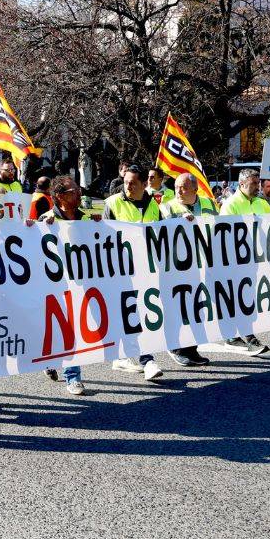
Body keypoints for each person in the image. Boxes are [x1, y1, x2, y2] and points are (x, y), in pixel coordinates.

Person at [31, 175, 100, 396]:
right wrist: (40, 228)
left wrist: (100, 226)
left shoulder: (85, 219)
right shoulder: (47, 219)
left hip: (81, 282)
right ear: (59, 196)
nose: (79, 193)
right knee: (66, 329)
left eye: (78, 189)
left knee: (75, 328)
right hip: (56, 284)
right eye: (73, 191)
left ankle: (58, 365)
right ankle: (72, 376)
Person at [102, 164, 165, 382]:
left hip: (146, 270)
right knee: (132, 314)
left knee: (140, 314)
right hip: (121, 271)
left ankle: (123, 356)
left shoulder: (154, 204)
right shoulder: (112, 203)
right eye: (125, 182)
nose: (127, 186)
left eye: (132, 183)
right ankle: (147, 360)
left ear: (143, 184)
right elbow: (102, 237)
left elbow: (163, 232)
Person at [159, 172, 218, 367]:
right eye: (176, 187)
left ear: (195, 188)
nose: (178, 191)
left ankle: (192, 349)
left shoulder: (209, 204)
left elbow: (219, 229)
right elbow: (160, 232)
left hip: (203, 265)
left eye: (183, 187)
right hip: (178, 267)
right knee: (179, 308)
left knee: (196, 309)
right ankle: (177, 348)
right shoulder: (167, 207)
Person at [220, 168, 270, 352]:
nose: (257, 187)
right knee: (238, 299)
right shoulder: (230, 205)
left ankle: (242, 334)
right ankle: (239, 336)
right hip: (236, 262)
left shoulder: (262, 203)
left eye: (258, 183)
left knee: (249, 299)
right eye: (254, 183)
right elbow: (224, 234)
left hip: (256, 260)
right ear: (242, 184)